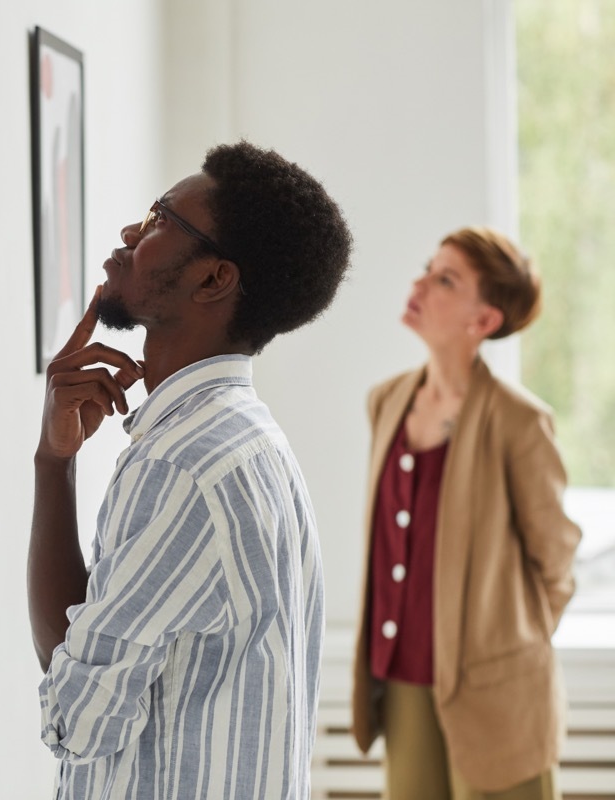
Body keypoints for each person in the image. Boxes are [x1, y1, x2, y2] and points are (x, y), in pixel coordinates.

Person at [29, 141, 353, 799]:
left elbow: (77, 718)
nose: (130, 232)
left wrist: (49, 465)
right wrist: (55, 462)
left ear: (213, 279)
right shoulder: (248, 437)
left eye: (159, 221)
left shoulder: (182, 465)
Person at [350, 227, 582, 800]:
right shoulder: (387, 401)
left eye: (445, 279)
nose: (420, 283)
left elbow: (555, 562)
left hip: (496, 692)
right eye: (428, 268)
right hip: (403, 679)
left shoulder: (520, 421)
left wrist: (504, 649)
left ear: (483, 320)